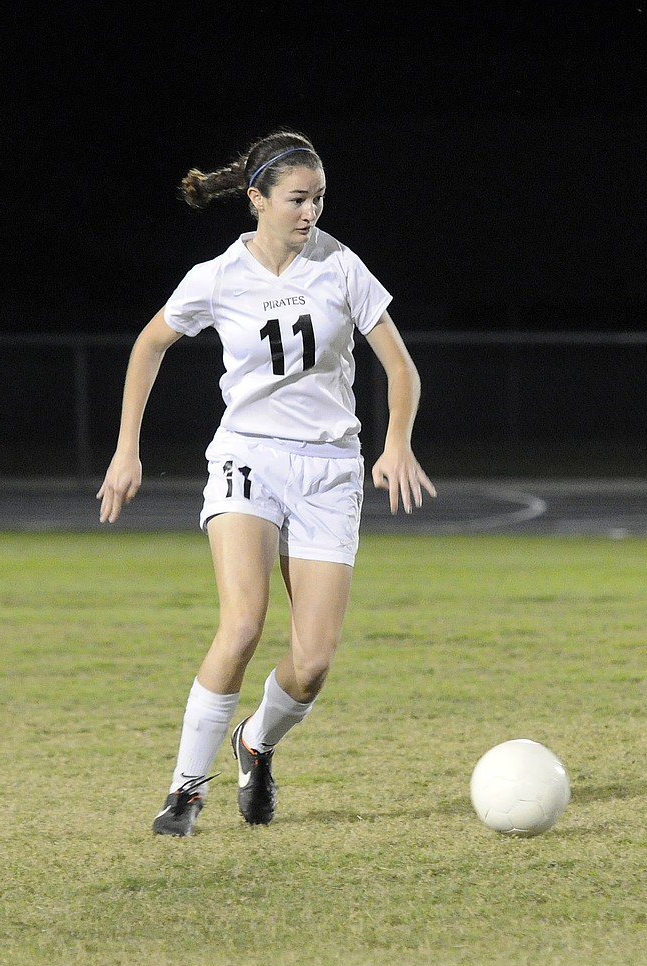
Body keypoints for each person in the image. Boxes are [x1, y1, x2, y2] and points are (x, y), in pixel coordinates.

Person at [97, 128, 436, 836]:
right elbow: (149, 344)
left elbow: (400, 368)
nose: (309, 212)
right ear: (256, 199)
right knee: (243, 623)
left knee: (311, 664)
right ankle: (185, 790)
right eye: (296, 199)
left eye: (318, 199)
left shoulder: (340, 266)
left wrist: (396, 441)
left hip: (328, 470)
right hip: (247, 457)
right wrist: (126, 448)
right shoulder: (217, 276)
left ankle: (256, 741)